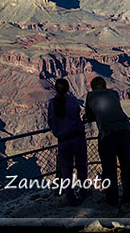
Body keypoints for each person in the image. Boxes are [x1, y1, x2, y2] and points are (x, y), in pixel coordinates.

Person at [85, 76, 130, 206]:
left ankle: (112, 198)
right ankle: (128, 196)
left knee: (109, 167)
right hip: (125, 128)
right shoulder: (114, 93)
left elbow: (89, 116)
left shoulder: (90, 96)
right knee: (126, 164)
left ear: (93, 88)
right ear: (105, 85)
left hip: (107, 133)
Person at [47, 78, 88, 206]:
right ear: (68, 88)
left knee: (66, 170)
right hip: (77, 137)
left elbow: (50, 122)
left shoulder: (52, 103)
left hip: (63, 141)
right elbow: (77, 112)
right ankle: (84, 193)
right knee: (81, 166)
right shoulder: (72, 100)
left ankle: (70, 198)